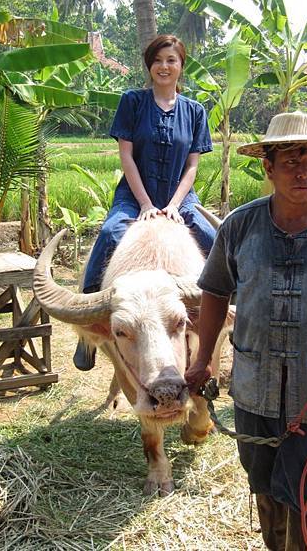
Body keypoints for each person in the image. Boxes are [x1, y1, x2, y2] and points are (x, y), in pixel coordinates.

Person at [185, 111, 307, 550]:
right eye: (291, 160)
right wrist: (202, 360)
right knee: (265, 485)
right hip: (255, 389)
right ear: (268, 167)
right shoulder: (240, 227)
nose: (303, 170)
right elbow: (215, 292)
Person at [74, 34, 216, 371]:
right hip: (134, 194)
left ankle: (229, 313)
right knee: (110, 232)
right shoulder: (133, 102)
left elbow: (193, 165)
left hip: (180, 196)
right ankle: (89, 314)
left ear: (181, 66)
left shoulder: (195, 111)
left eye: (172, 60)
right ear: (149, 66)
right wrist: (146, 205)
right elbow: (127, 157)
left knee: (215, 241)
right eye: (158, 61)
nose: (164, 67)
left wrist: (174, 205)